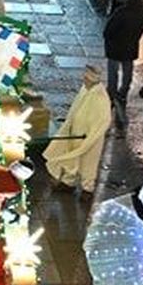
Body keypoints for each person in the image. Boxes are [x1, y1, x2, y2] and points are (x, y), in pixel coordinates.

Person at [43, 65, 111, 196]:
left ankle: (87, 188)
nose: (83, 79)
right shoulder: (85, 89)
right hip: (76, 134)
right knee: (72, 159)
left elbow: (103, 120)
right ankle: (69, 182)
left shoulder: (100, 97)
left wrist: (90, 137)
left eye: (86, 77)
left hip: (89, 137)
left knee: (88, 163)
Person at [103, 0, 143, 129]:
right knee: (127, 70)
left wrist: (108, 38)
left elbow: (109, 30)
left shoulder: (121, 12)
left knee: (113, 71)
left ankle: (112, 92)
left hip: (115, 47)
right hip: (130, 47)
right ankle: (123, 92)